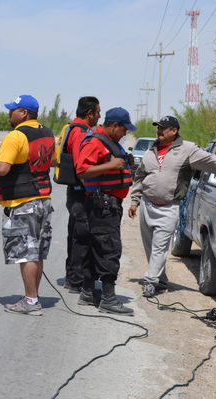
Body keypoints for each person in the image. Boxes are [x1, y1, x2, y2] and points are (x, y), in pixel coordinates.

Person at [128, 115, 216, 297]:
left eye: (163, 128)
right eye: (158, 127)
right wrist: (135, 201)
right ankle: (161, 280)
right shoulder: (151, 151)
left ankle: (150, 281)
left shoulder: (188, 150)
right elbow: (139, 177)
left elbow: (213, 162)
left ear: (174, 131)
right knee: (150, 247)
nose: (159, 131)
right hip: (147, 205)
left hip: (169, 208)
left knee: (159, 248)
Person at [0, 95, 55, 316]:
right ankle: (33, 297)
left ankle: (31, 302)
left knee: (26, 254)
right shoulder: (47, 133)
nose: (9, 113)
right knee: (37, 252)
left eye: (12, 110)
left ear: (23, 113)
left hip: (23, 203)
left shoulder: (16, 136)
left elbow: (3, 168)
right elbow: (52, 161)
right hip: (43, 200)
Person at [75, 107, 135, 315]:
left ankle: (87, 292)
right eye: (124, 129)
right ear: (115, 126)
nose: (125, 133)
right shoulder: (95, 142)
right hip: (103, 206)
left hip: (106, 205)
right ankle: (108, 299)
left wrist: (125, 164)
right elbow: (82, 170)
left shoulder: (108, 142)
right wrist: (111, 165)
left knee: (96, 248)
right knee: (109, 249)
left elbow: (110, 165)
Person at [54, 97, 100, 294]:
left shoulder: (72, 128)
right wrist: (92, 191)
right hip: (81, 192)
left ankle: (73, 278)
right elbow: (82, 168)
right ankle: (76, 281)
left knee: (75, 233)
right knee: (82, 236)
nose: (99, 116)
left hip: (75, 191)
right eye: (98, 112)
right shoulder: (81, 133)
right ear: (89, 113)